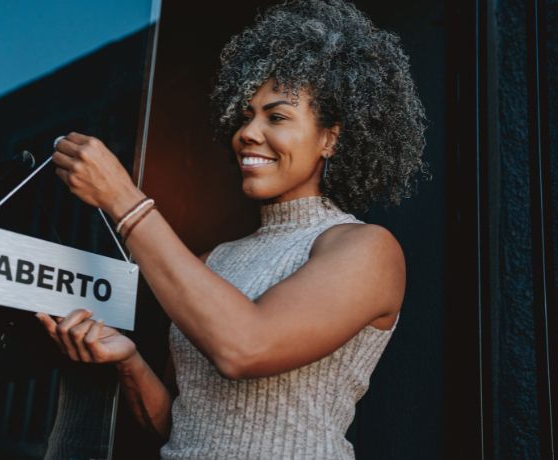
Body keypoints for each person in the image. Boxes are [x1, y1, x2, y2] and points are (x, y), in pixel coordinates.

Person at [36, 0, 429, 458]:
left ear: (330, 138)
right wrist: (127, 360)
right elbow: (182, 425)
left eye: (276, 117)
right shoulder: (213, 261)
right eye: (245, 116)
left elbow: (245, 348)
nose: (247, 133)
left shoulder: (367, 249)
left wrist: (124, 200)